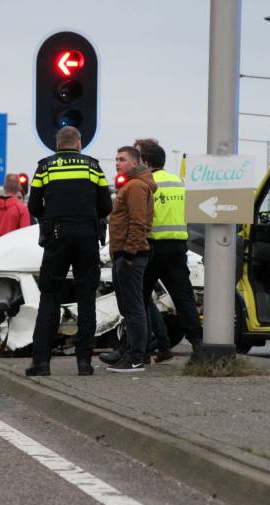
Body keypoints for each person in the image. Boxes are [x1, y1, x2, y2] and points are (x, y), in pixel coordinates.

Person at [25, 126, 112, 377]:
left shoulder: (45, 167)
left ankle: (41, 362)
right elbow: (106, 205)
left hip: (56, 235)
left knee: (50, 296)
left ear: (56, 143)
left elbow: (33, 205)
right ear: (79, 143)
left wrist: (51, 218)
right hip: (87, 235)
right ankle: (84, 362)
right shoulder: (92, 167)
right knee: (86, 298)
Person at [134, 139, 203, 361]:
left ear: (145, 161)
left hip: (153, 247)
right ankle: (198, 345)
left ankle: (140, 351)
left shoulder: (145, 183)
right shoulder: (179, 183)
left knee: (139, 298)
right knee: (183, 298)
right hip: (178, 247)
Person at [106, 146, 156, 373]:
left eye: (122, 159)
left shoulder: (135, 186)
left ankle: (136, 357)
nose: (117, 163)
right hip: (124, 253)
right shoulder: (130, 185)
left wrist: (128, 253)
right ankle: (130, 353)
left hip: (131, 256)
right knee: (128, 307)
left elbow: (138, 222)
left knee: (134, 308)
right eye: (116, 159)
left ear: (135, 163)